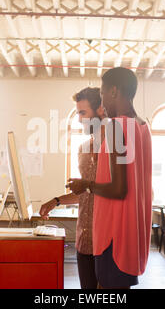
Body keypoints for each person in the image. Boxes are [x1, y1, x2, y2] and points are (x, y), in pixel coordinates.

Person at [67, 67, 152, 289]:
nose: (102, 100)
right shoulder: (143, 126)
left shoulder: (116, 126)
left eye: (103, 93)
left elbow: (118, 189)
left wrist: (85, 184)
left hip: (113, 235)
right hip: (131, 234)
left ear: (114, 91)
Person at [39, 87, 105, 289]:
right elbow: (84, 193)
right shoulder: (82, 149)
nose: (78, 119)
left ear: (100, 110)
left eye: (83, 113)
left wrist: (87, 185)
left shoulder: (117, 147)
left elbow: (118, 190)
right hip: (84, 240)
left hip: (107, 244)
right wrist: (56, 201)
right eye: (77, 113)